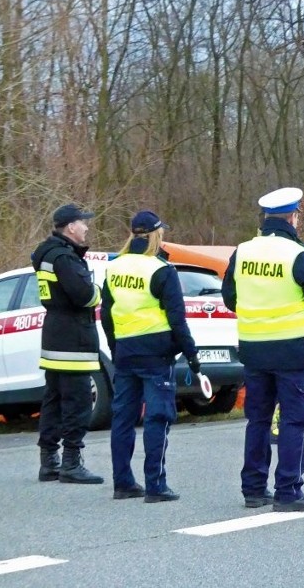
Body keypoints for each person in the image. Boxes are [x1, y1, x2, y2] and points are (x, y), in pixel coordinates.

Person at [222, 187, 304, 512]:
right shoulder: (299, 255)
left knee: (257, 419)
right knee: (293, 420)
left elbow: (230, 297)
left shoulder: (242, 252)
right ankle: (288, 490)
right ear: (293, 217)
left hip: (254, 349)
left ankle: (254, 489)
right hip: (292, 350)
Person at [101, 210, 201, 503]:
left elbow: (107, 313)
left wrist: (115, 348)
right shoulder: (161, 270)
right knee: (158, 416)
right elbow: (177, 320)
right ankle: (155, 485)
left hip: (126, 351)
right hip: (156, 354)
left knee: (123, 418)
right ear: (157, 235)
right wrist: (192, 355)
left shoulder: (114, 267)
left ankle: (123, 483)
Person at [31, 204, 104, 484]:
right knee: (78, 401)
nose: (86, 227)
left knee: (54, 398)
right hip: (74, 336)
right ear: (70, 227)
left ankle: (49, 460)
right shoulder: (64, 257)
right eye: (83, 223)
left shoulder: (47, 254)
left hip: (54, 334)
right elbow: (84, 295)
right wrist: (97, 291)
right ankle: (71, 462)